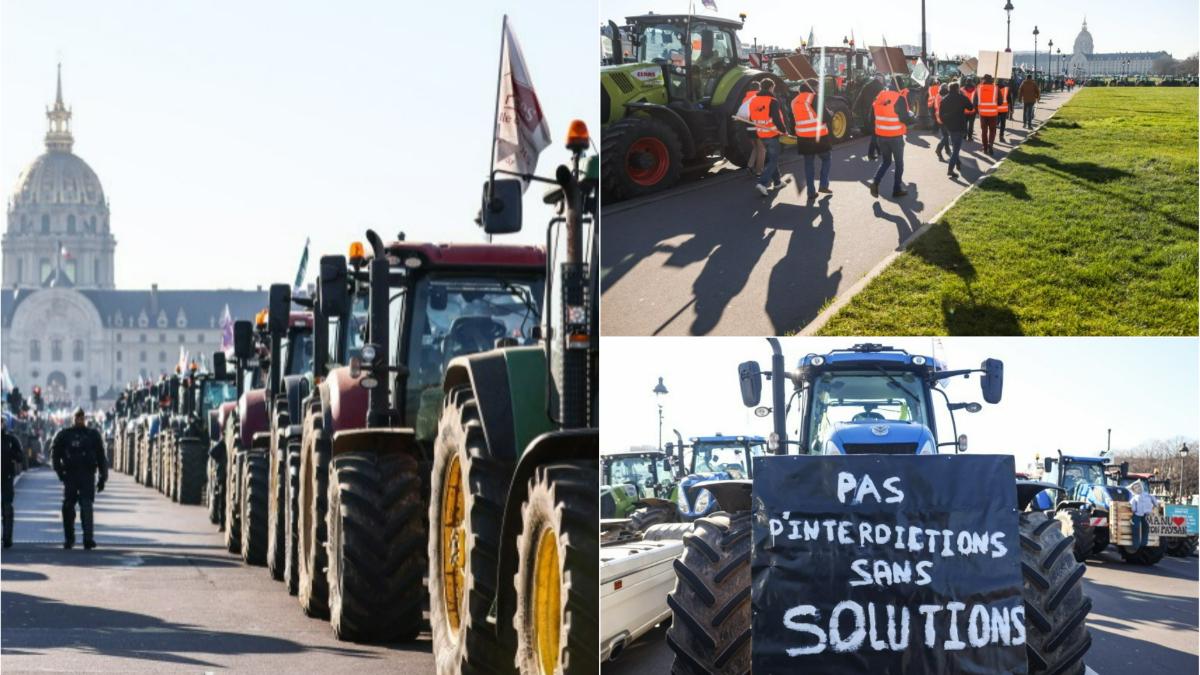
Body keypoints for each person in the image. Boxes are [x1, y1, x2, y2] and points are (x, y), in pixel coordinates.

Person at [51, 407, 107, 550]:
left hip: (87, 475)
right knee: (68, 507)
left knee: (86, 506)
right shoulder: (64, 435)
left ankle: (88, 539)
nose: (80, 420)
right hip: (70, 475)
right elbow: (55, 454)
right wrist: (60, 473)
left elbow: (101, 456)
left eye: (82, 417)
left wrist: (103, 477)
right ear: (73, 418)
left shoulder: (92, 435)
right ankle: (69, 539)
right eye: (77, 417)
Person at [869, 81, 915, 199]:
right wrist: (912, 117)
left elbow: (871, 117)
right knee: (899, 164)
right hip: (895, 137)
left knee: (886, 161)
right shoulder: (899, 98)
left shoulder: (879, 97)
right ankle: (897, 189)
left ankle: (875, 182)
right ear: (899, 87)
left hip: (881, 136)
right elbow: (904, 118)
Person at [791, 82, 834, 202]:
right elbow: (825, 117)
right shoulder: (814, 97)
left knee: (808, 164)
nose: (818, 89)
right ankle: (823, 184)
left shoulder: (794, 101)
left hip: (803, 137)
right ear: (813, 87)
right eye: (817, 87)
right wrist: (830, 113)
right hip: (819, 136)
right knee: (826, 159)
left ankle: (811, 192)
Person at [748, 79, 788, 197]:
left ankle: (777, 182)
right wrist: (784, 131)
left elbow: (751, 118)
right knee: (773, 160)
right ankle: (762, 183)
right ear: (771, 87)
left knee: (772, 159)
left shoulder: (753, 100)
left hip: (761, 134)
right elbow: (777, 119)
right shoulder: (772, 101)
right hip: (772, 134)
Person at [936, 82, 974, 179]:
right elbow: (971, 107)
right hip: (960, 126)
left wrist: (946, 123)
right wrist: (964, 98)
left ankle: (958, 163)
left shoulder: (944, 99)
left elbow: (941, 115)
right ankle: (950, 169)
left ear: (949, 89)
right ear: (958, 89)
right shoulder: (962, 98)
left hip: (950, 127)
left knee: (955, 147)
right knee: (956, 149)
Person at [2, 417, 23, 548]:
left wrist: (12, 453)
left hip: (6, 477)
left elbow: (20, 457)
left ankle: (7, 537)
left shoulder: (11, 439)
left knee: (7, 507)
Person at [740, 82, 766, 177]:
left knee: (755, 148)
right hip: (758, 127)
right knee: (762, 149)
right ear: (759, 88)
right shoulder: (759, 98)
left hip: (749, 127)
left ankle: (750, 166)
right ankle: (759, 171)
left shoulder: (745, 99)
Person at [973, 74, 1001, 156]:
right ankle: (990, 144)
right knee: (992, 130)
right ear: (991, 80)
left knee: (984, 131)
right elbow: (1000, 101)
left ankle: (985, 148)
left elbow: (974, 101)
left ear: (983, 79)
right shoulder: (996, 88)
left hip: (982, 113)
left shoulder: (979, 87)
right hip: (993, 113)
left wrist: (977, 111)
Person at [1128, 482, 1158, 551]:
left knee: (1146, 527)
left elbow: (1155, 503)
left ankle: (1144, 543)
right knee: (1135, 527)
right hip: (1137, 514)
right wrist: (1133, 509)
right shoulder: (1134, 497)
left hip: (1146, 514)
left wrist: (1154, 507)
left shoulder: (1148, 495)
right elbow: (1133, 507)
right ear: (1133, 490)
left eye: (1139, 486)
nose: (1138, 488)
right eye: (1135, 488)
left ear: (1141, 487)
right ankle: (1135, 544)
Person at [997, 79, 1012, 143]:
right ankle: (1001, 136)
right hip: (1004, 109)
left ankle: (992, 135)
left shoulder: (994, 89)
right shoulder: (1006, 89)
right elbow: (1009, 100)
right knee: (1003, 124)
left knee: (994, 124)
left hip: (995, 109)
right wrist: (1011, 109)